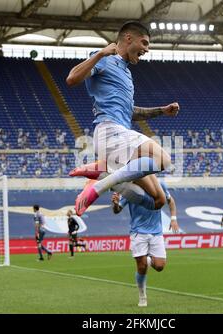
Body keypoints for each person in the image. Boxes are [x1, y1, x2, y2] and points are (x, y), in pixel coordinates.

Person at [66, 21, 179, 217]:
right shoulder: (104, 59)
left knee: (158, 200)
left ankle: (103, 172)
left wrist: (162, 110)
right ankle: (100, 184)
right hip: (110, 131)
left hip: (119, 137)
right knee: (164, 159)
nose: (146, 49)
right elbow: (72, 79)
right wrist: (100, 53)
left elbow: (130, 112)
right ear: (128, 38)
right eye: (144, 43)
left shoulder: (126, 73)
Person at [111, 181, 179, 307]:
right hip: (138, 232)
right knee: (141, 268)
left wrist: (173, 218)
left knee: (160, 266)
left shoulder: (159, 184)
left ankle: (145, 260)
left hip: (156, 232)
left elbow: (171, 201)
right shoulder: (129, 189)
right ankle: (142, 296)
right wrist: (115, 204)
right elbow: (117, 210)